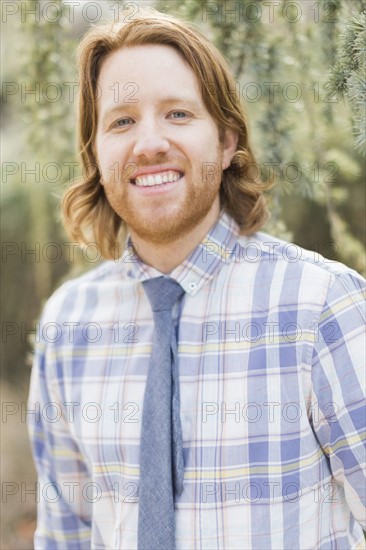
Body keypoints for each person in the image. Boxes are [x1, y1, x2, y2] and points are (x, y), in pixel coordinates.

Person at [28, 8, 366, 550]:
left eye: (179, 114)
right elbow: (66, 534)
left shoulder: (323, 306)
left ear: (228, 141)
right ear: (95, 153)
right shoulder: (69, 326)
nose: (149, 143)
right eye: (121, 121)